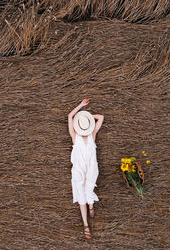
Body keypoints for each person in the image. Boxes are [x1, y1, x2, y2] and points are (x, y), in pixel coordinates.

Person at [67, 99, 104, 240]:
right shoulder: (74, 137)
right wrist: (81, 107)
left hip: (91, 168)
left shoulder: (92, 134)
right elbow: (70, 116)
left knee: (88, 190)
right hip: (78, 169)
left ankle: (91, 205)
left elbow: (100, 118)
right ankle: (85, 224)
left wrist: (86, 118)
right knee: (81, 195)